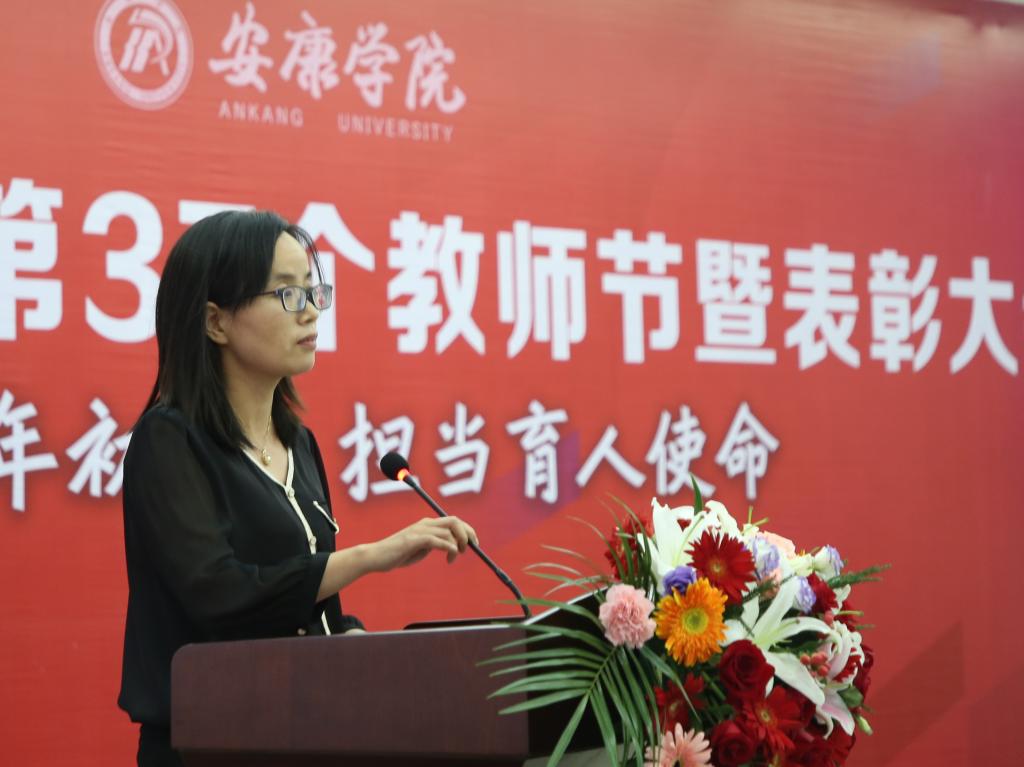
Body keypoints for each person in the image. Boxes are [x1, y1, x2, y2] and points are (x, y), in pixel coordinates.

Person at [117, 210, 478, 766]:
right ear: (215, 321)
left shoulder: (299, 444)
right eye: (287, 293)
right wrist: (373, 556)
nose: (311, 311)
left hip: (307, 731)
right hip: (208, 746)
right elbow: (221, 596)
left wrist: (371, 648)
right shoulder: (169, 440)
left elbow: (311, 612)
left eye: (313, 291)